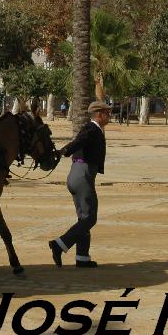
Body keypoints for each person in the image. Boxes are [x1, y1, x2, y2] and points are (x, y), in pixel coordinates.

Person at [49, 100, 110, 268]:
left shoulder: (92, 129)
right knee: (90, 218)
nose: (110, 115)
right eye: (107, 112)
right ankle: (59, 244)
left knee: (83, 218)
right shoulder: (92, 129)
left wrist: (65, 150)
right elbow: (80, 141)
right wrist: (65, 150)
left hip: (77, 174)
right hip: (82, 175)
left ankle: (82, 258)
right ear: (99, 114)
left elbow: (80, 141)